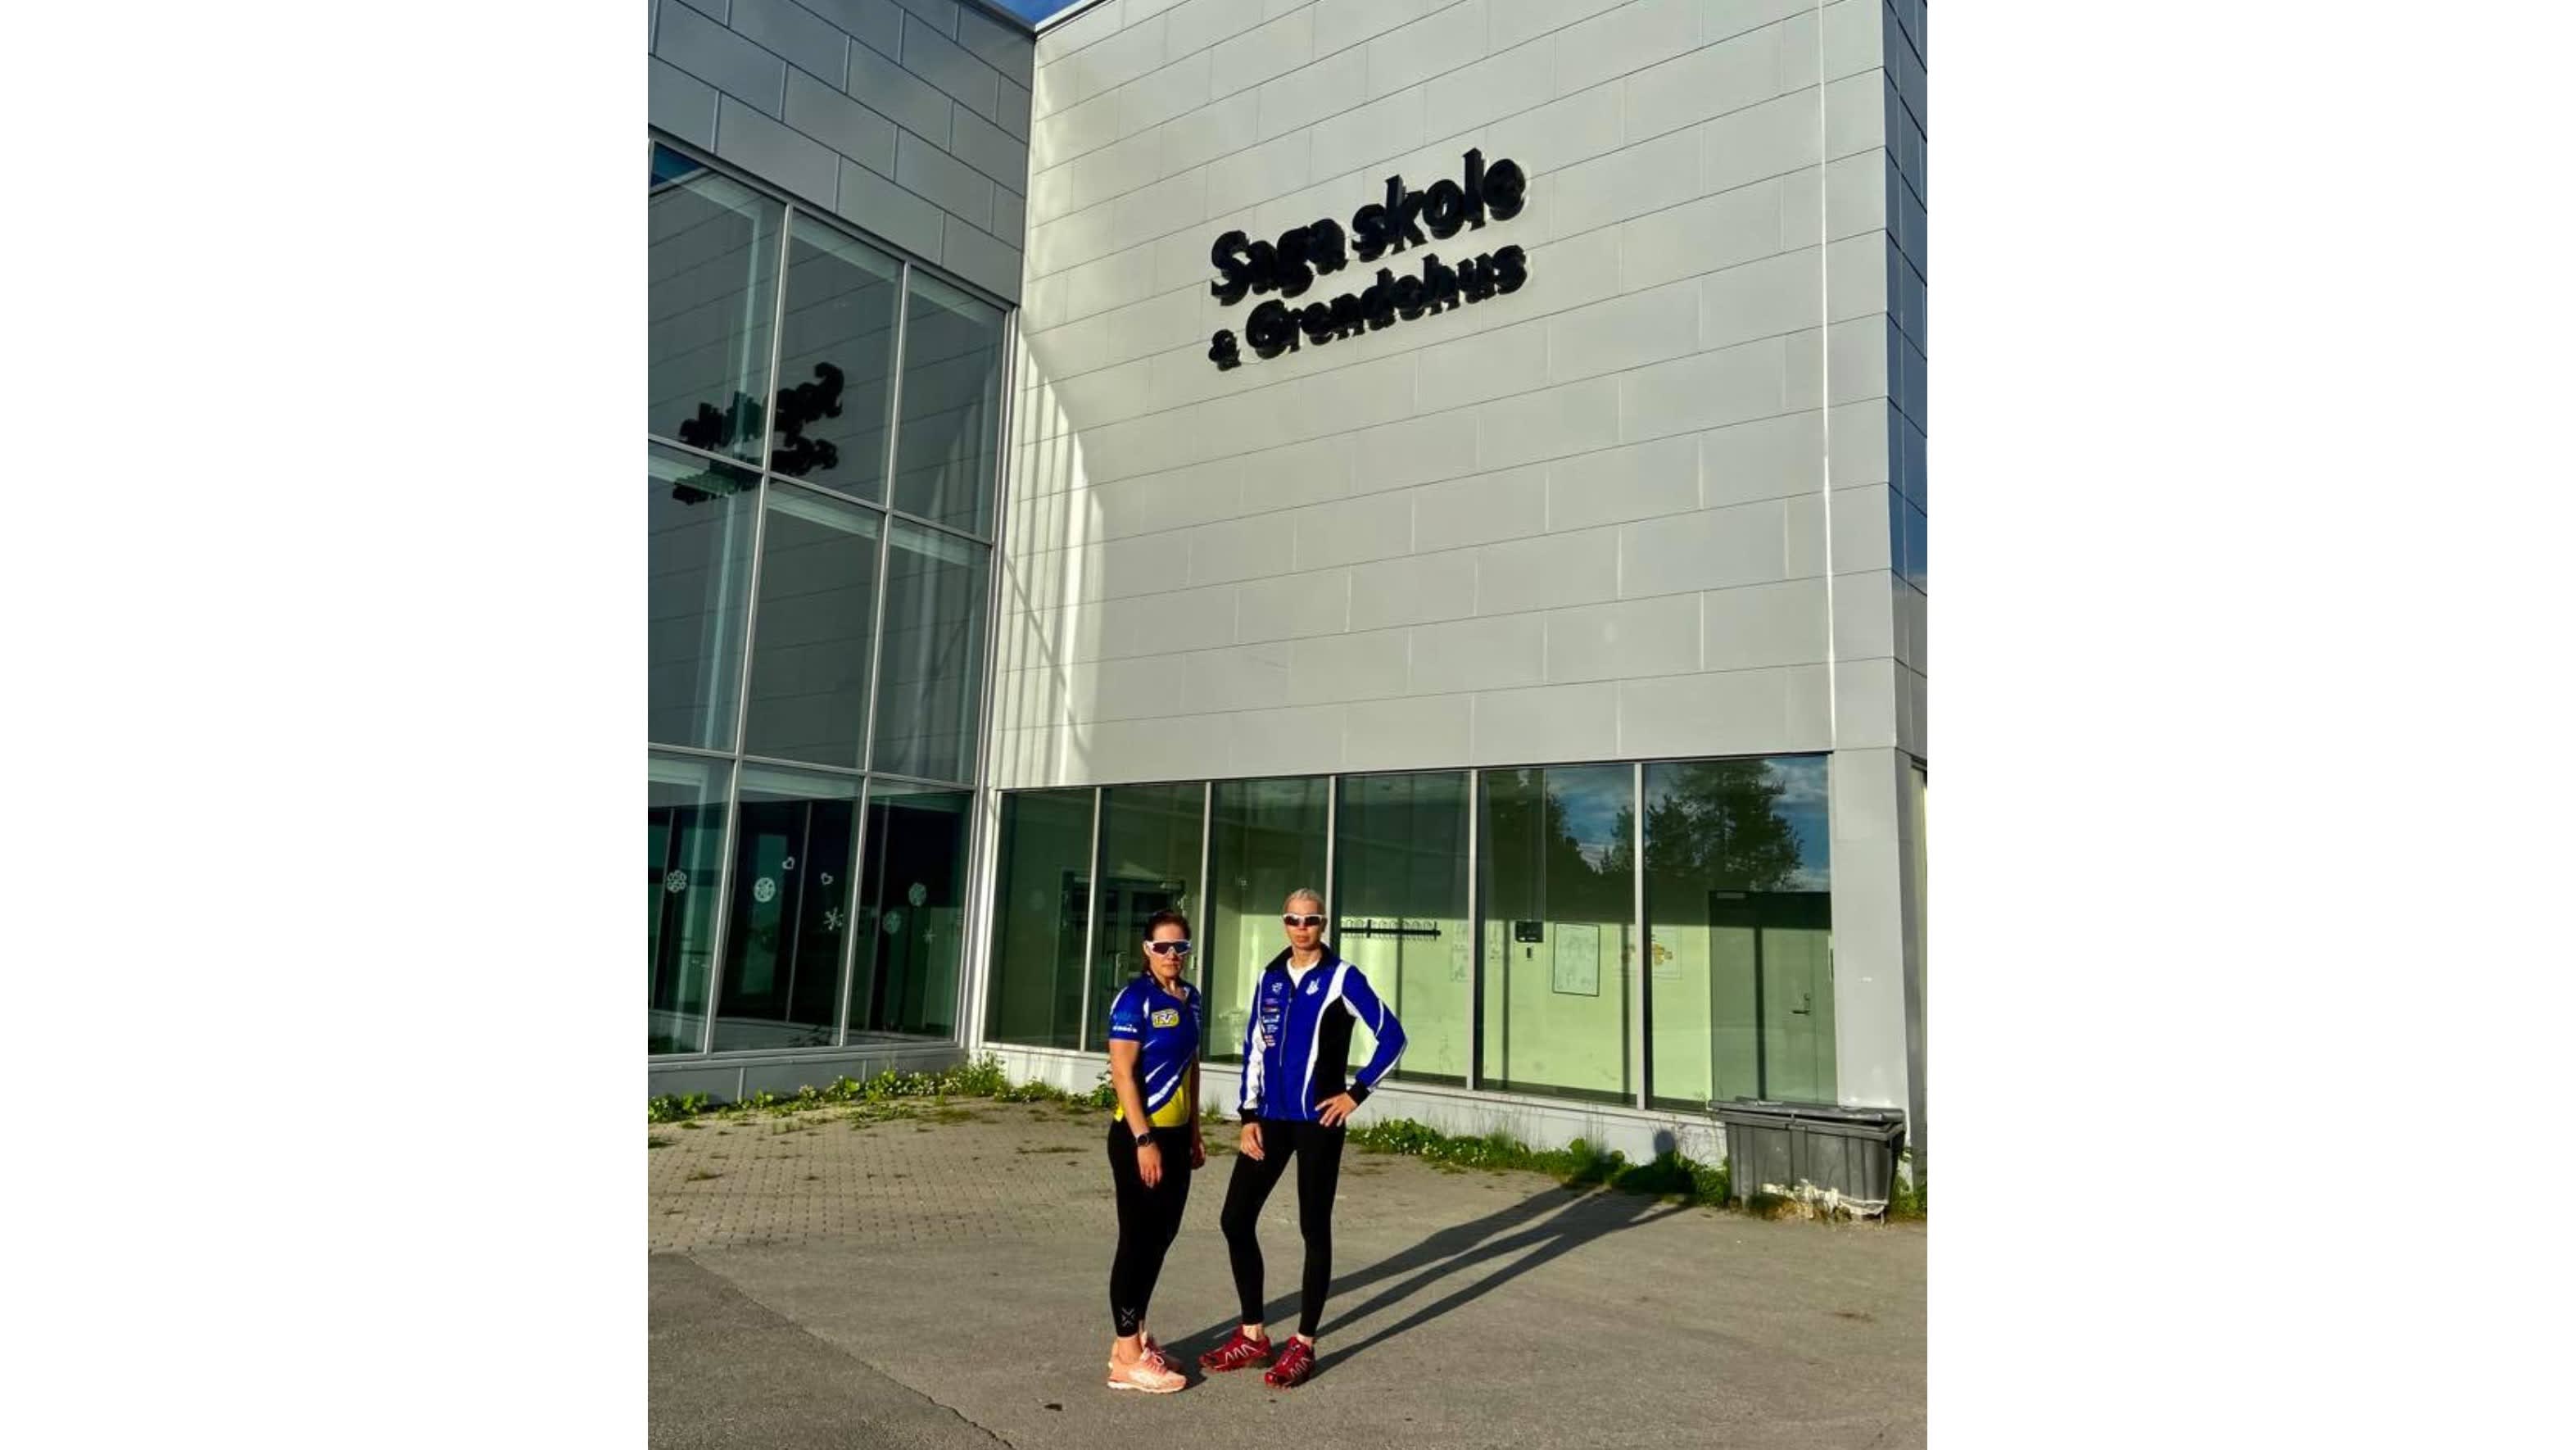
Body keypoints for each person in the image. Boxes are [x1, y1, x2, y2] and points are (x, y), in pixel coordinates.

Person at [1198, 889, 1407, 1389]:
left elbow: (1393, 1036)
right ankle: (1253, 1335)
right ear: (1284, 922)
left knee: (1314, 1228)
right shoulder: (1269, 977)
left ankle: (1305, 1342)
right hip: (1270, 1119)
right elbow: (1254, 1046)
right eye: (1293, 919)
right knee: (1235, 1218)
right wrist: (1247, 1115)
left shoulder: (1342, 977)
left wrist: (1356, 1093)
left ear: (1324, 924)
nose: (1301, 928)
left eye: (1311, 920)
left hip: (1319, 1122)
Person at [1101, 909, 1205, 1394]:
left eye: (1180, 947)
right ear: (1147, 950)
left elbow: (1193, 1066)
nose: (1171, 955)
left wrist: (1195, 1131)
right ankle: (1126, 1359)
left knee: (1162, 1236)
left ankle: (1136, 1339)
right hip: (1139, 1138)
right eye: (1162, 947)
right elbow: (1122, 1074)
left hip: (1178, 1137)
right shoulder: (1133, 1000)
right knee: (1137, 1241)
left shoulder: (1192, 998)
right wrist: (1144, 1140)